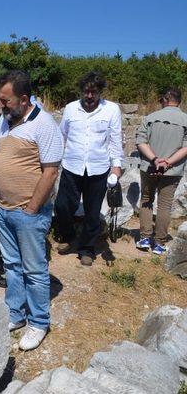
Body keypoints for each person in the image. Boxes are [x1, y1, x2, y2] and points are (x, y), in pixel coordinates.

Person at [0, 70, 63, 351]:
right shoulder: (6, 121)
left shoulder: (45, 125)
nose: (0, 106)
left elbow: (50, 172)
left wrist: (31, 209)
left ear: (24, 99)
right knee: (12, 266)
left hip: (29, 213)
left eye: (5, 101)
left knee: (34, 269)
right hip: (3, 209)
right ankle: (15, 314)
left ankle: (38, 322)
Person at [54, 71, 124, 266]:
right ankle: (68, 237)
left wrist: (116, 168)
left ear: (100, 92)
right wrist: (54, 162)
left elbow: (115, 140)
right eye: (86, 91)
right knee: (62, 206)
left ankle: (87, 248)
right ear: (81, 91)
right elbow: (62, 137)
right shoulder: (70, 109)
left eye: (94, 92)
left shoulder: (111, 110)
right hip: (71, 166)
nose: (90, 96)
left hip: (98, 168)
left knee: (93, 212)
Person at [135, 88, 187, 255]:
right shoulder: (185, 119)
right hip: (173, 170)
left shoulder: (150, 118)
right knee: (165, 205)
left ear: (165, 99)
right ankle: (159, 243)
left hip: (149, 167)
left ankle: (144, 238)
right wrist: (168, 162)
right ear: (178, 100)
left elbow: (141, 142)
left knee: (146, 200)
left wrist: (155, 160)